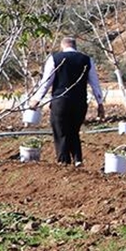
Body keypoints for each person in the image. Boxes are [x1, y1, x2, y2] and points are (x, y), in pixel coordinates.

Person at [31, 37, 105, 166]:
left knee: (60, 131)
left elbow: (46, 81)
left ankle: (63, 161)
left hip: (61, 100)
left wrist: (37, 99)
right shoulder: (87, 60)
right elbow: (95, 83)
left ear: (62, 46)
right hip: (80, 102)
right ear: (75, 46)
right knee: (74, 130)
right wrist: (100, 103)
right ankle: (77, 159)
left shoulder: (55, 58)